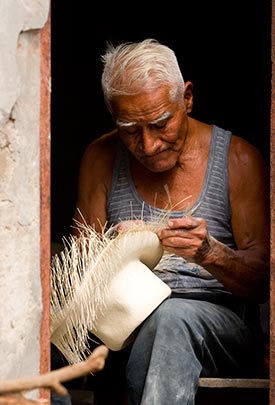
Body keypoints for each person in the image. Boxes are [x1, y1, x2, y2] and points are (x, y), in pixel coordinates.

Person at [57, 38, 270, 404]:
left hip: (217, 328)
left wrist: (210, 253)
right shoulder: (101, 157)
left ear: (187, 98)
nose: (149, 144)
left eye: (161, 124)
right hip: (123, 324)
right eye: (129, 130)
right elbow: (78, 276)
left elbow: (264, 282)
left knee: (169, 318)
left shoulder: (237, 159)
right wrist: (109, 250)